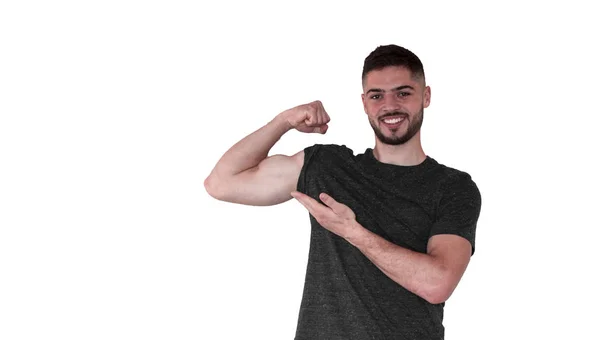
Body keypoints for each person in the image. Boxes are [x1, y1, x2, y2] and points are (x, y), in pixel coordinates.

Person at [204, 44, 482, 340]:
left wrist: (353, 232)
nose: (389, 106)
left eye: (403, 93)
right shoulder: (328, 167)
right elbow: (221, 182)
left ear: (425, 96)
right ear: (364, 103)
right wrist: (282, 122)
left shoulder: (453, 187)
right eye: (377, 96)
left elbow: (437, 284)